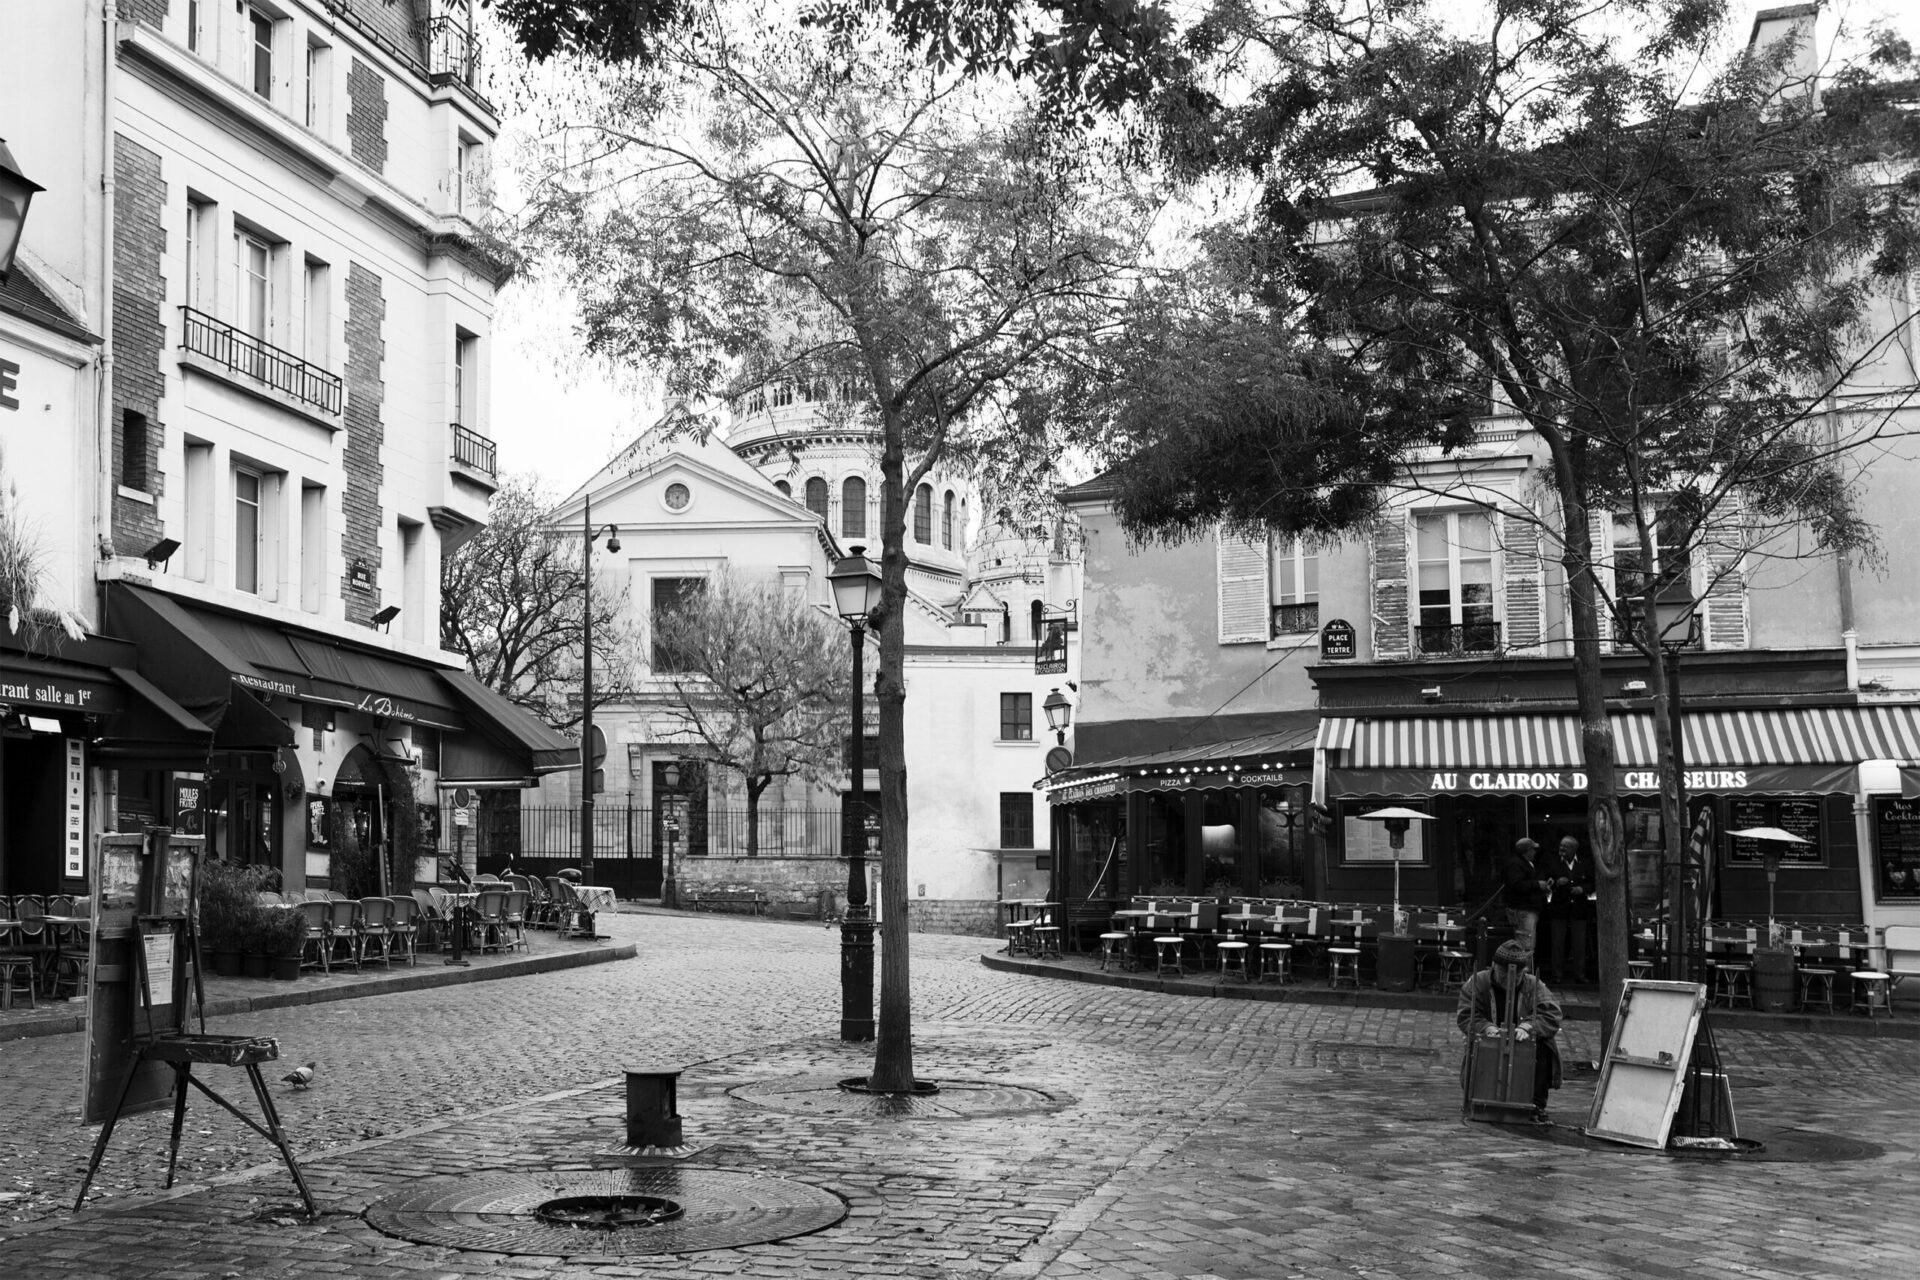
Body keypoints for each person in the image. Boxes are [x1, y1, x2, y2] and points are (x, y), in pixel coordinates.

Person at [1457, 939, 1563, 1122]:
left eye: (1516, 975)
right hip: (1489, 1039)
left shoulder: (1534, 985)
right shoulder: (1478, 982)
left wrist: (1528, 1027)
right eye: (1503, 974)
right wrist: (1487, 1027)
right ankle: (1480, 1098)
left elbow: (1551, 1015)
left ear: (1524, 971)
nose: (1510, 980)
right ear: (1493, 967)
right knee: (1483, 1046)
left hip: (1525, 1040)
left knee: (1544, 1047)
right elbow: (1467, 1015)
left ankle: (1535, 1104)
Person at [1543, 835, 1595, 985]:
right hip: (1559, 908)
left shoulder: (1584, 863)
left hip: (1579, 909)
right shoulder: (1552, 863)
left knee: (1579, 943)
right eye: (1561, 846)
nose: (1561, 849)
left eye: (1565, 847)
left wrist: (1582, 889)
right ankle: (1557, 975)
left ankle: (1580, 974)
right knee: (1558, 942)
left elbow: (1593, 882)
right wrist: (1556, 884)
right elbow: (1546, 883)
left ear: (1573, 849)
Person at [1503, 837, 1550, 948]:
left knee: (1527, 942)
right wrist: (1537, 884)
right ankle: (1524, 965)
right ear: (1527, 851)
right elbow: (1516, 885)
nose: (1534, 852)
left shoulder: (1525, 863)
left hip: (1528, 909)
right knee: (1525, 944)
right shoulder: (1516, 864)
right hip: (1523, 910)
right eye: (1533, 849)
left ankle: (1527, 965)